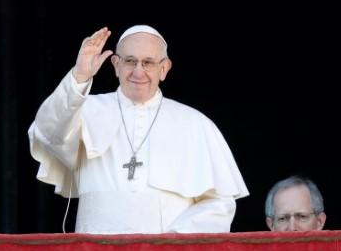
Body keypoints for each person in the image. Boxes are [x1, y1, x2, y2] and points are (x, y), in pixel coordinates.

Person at [28, 25, 248, 234]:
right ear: (115, 65)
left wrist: (175, 239)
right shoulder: (84, 110)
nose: (138, 71)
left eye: (148, 62)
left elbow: (219, 203)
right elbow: (48, 133)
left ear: (164, 68)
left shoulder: (195, 123)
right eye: (130, 61)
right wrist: (79, 76)